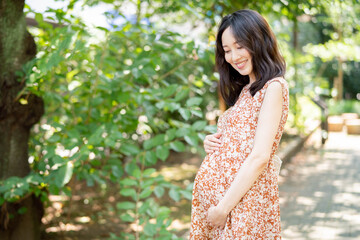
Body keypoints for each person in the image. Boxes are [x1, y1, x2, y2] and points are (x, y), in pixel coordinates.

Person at [190, 9, 289, 239]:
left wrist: (223, 208)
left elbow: (260, 156)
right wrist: (214, 144)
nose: (233, 57)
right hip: (227, 206)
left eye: (240, 46)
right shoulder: (245, 91)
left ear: (258, 41)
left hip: (244, 206)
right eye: (226, 50)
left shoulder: (273, 87)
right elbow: (240, 141)